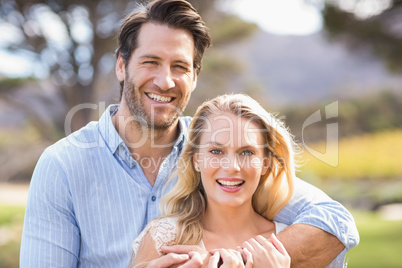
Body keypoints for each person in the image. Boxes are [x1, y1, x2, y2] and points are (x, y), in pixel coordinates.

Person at [20, 0, 359, 267]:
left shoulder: (217, 151)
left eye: (179, 67)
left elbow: (335, 222)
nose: (165, 81)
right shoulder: (62, 166)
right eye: (151, 62)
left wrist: (240, 263)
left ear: (195, 77)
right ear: (121, 65)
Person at [129, 93, 295, 268]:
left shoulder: (287, 242)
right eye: (216, 151)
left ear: (265, 163)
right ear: (196, 160)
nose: (232, 167)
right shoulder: (164, 238)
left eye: (247, 152)